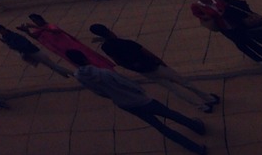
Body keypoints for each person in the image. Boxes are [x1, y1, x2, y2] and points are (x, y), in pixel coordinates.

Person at [66, 50, 206, 154]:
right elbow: (127, 84)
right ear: (85, 58)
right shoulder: (104, 73)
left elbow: (98, 92)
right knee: (170, 114)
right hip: (139, 99)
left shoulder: (80, 77)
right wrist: (139, 90)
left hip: (124, 103)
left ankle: (195, 148)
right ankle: (196, 127)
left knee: (159, 126)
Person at [89, 22, 219, 111]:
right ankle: (209, 98)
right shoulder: (127, 42)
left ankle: (202, 107)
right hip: (154, 65)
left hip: (143, 70)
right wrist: (161, 62)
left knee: (174, 89)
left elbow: (118, 61)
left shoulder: (106, 47)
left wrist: (134, 67)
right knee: (184, 83)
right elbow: (147, 52)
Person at [189, 0, 262, 63]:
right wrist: (207, 16)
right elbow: (198, 14)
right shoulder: (198, 6)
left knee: (249, 40)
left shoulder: (217, 1)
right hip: (224, 27)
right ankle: (258, 59)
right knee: (240, 43)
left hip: (234, 23)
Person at [16, 13, 113, 68]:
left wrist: (35, 27)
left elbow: (55, 30)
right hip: (61, 49)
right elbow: (35, 37)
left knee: (87, 56)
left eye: (36, 20)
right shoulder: (38, 30)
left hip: (70, 45)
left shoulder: (49, 26)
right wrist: (27, 31)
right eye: (33, 21)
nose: (35, 22)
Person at [0, 23, 72, 77]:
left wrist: (14, 46)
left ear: (3, 28)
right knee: (50, 65)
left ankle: (72, 73)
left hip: (33, 51)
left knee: (52, 65)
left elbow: (23, 44)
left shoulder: (13, 35)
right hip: (29, 52)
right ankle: (65, 74)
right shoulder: (6, 37)